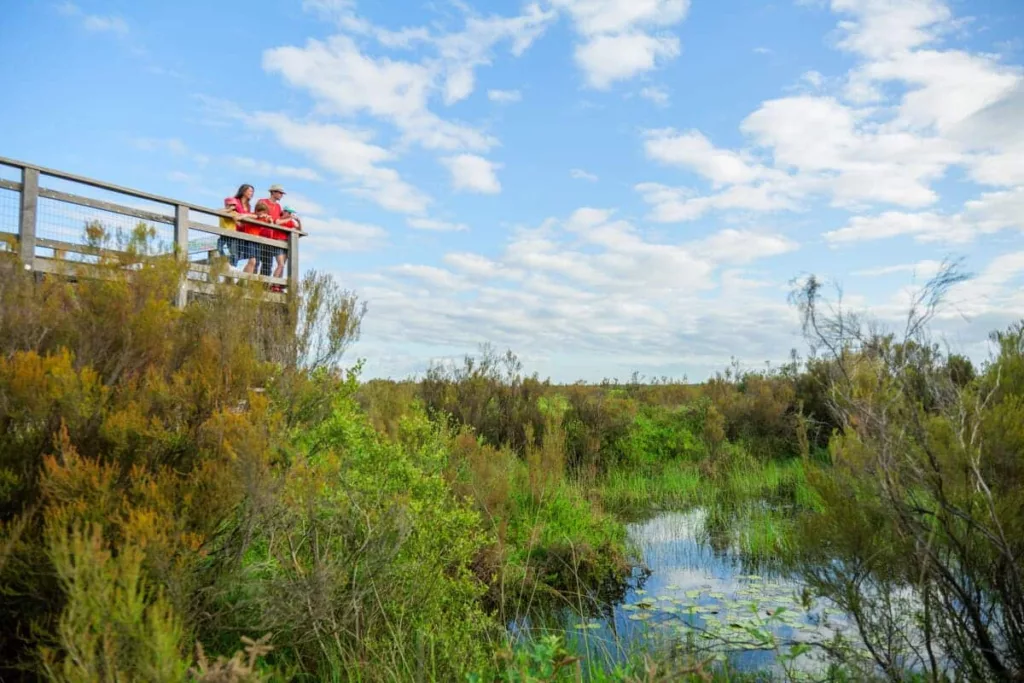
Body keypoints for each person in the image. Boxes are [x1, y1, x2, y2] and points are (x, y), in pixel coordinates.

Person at [220, 184, 253, 266]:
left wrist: (246, 216)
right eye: (250, 191)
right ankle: (229, 265)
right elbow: (226, 212)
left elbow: (248, 216)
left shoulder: (248, 206)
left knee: (237, 254)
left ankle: (232, 268)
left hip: (243, 233)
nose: (252, 193)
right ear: (244, 191)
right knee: (228, 251)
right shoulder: (235, 201)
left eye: (252, 191)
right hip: (233, 231)